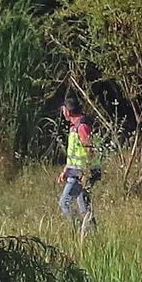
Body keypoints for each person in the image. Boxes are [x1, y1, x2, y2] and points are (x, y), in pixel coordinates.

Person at [57, 98, 97, 231]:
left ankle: (78, 229)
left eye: (63, 109)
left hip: (81, 173)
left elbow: (90, 150)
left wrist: (86, 173)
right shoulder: (75, 126)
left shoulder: (82, 126)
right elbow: (73, 154)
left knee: (64, 203)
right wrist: (66, 170)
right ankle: (90, 232)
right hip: (75, 172)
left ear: (68, 111)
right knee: (84, 207)